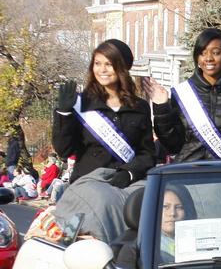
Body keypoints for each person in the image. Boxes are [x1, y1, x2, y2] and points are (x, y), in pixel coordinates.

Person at [145, 27, 221, 162]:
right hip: (189, 176)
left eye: (216, 52)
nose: (209, 58)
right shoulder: (182, 93)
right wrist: (162, 107)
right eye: (203, 53)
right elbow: (172, 145)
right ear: (197, 58)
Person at [53, 39, 154, 186]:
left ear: (123, 68)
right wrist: (64, 113)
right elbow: (64, 150)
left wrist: (129, 172)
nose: (102, 70)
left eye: (108, 64)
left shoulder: (139, 107)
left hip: (125, 187)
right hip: (88, 187)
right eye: (97, 63)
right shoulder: (81, 104)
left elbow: (147, 154)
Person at [159, 184, 196, 262]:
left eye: (179, 207)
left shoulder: (199, 239)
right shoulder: (149, 246)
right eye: (165, 207)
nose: (172, 213)